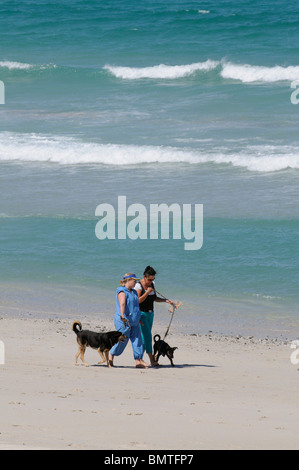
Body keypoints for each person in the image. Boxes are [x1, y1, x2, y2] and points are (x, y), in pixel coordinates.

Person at [135, 266, 174, 367]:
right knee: (148, 337)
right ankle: (152, 360)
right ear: (144, 277)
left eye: (153, 279)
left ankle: (139, 360)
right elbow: (138, 300)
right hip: (141, 314)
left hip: (150, 313)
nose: (151, 281)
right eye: (149, 279)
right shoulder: (138, 286)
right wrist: (147, 292)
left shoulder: (152, 284)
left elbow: (154, 298)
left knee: (145, 339)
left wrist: (165, 300)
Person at [109, 273, 149, 369]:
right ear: (128, 281)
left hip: (134, 320)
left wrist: (137, 318)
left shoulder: (134, 292)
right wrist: (123, 316)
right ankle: (110, 357)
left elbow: (135, 306)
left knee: (137, 340)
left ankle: (138, 361)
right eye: (134, 280)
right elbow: (122, 304)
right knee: (121, 340)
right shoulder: (122, 292)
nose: (136, 282)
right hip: (124, 321)